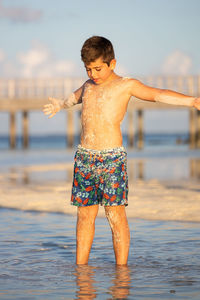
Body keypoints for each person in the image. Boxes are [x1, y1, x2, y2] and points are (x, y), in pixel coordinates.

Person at [43, 36, 200, 265]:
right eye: (88, 69)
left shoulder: (125, 85)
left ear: (112, 63)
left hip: (111, 159)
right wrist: (59, 104)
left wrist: (191, 101)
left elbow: (157, 94)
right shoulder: (88, 86)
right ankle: (81, 270)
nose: (93, 74)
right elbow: (72, 98)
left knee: (115, 215)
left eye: (97, 68)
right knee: (84, 215)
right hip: (85, 158)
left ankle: (121, 269)